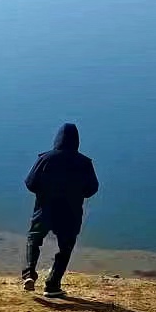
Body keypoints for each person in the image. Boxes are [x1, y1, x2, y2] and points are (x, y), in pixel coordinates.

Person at [21, 123, 100, 299]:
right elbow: (91, 189)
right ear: (77, 141)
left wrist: (45, 191)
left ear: (57, 139)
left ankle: (28, 274)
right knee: (65, 248)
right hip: (70, 213)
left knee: (34, 238)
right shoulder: (85, 163)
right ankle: (52, 284)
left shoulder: (45, 159)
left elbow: (30, 183)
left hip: (44, 209)